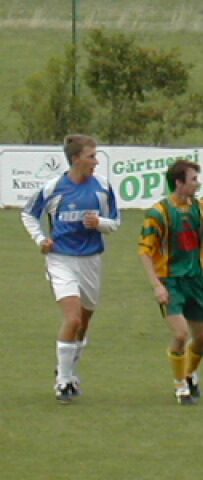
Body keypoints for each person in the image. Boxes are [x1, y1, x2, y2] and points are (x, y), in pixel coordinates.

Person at [21, 134, 120, 404]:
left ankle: (69, 370)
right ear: (75, 159)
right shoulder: (54, 188)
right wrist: (41, 239)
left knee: (84, 322)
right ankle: (63, 382)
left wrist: (99, 223)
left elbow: (114, 222)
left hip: (91, 261)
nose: (96, 162)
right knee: (73, 318)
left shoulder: (102, 187)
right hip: (61, 259)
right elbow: (28, 214)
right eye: (91, 156)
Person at [138, 159, 203, 405]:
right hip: (170, 281)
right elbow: (145, 251)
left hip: (195, 280)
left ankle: (189, 374)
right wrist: (156, 285)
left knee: (201, 340)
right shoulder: (158, 213)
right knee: (181, 333)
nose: (198, 184)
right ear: (179, 183)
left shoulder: (201, 209)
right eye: (194, 179)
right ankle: (180, 386)